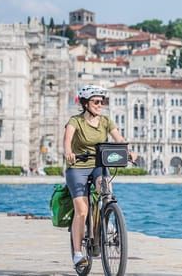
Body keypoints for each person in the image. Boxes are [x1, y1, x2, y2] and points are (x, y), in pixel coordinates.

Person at [63, 85, 134, 267]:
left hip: (99, 165)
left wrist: (129, 151)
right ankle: (78, 254)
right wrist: (68, 152)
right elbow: (67, 140)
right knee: (82, 210)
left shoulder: (105, 121)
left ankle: (108, 221)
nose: (99, 105)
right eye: (96, 102)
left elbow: (119, 138)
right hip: (77, 167)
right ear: (86, 103)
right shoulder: (75, 121)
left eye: (102, 102)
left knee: (107, 192)